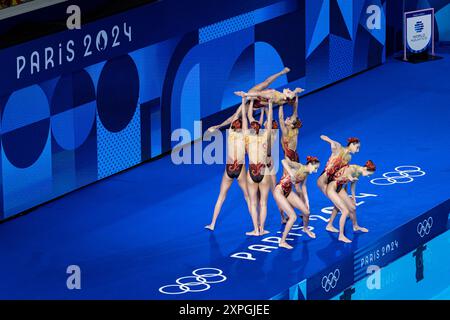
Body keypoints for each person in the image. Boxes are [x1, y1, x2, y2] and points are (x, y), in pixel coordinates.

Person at [205, 97, 251, 231]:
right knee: (247, 196)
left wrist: (242, 101)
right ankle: (257, 225)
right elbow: (242, 120)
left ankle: (212, 224)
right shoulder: (245, 136)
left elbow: (235, 116)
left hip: (229, 168)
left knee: (221, 196)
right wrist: (246, 100)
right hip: (240, 167)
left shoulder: (230, 133)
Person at [243, 95, 274, 236]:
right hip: (263, 172)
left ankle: (256, 230)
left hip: (252, 173)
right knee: (264, 204)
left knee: (254, 203)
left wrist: (245, 101)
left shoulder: (247, 137)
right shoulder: (265, 136)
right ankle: (262, 229)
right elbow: (269, 120)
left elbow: (246, 117)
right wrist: (270, 104)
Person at [273, 157, 321, 249]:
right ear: (310, 164)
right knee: (293, 217)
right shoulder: (299, 166)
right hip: (279, 191)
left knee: (307, 212)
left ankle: (305, 228)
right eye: (315, 168)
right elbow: (283, 161)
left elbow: (303, 187)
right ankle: (282, 241)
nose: (316, 171)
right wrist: (291, 173)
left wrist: (307, 201)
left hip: (288, 191)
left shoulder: (306, 174)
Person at [325, 161, 376, 243]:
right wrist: (350, 178)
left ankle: (355, 226)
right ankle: (341, 235)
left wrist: (353, 197)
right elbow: (347, 174)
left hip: (339, 187)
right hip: (332, 188)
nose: (368, 176)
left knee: (353, 207)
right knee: (345, 211)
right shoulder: (353, 168)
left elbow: (353, 184)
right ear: (366, 169)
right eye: (369, 174)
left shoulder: (359, 172)